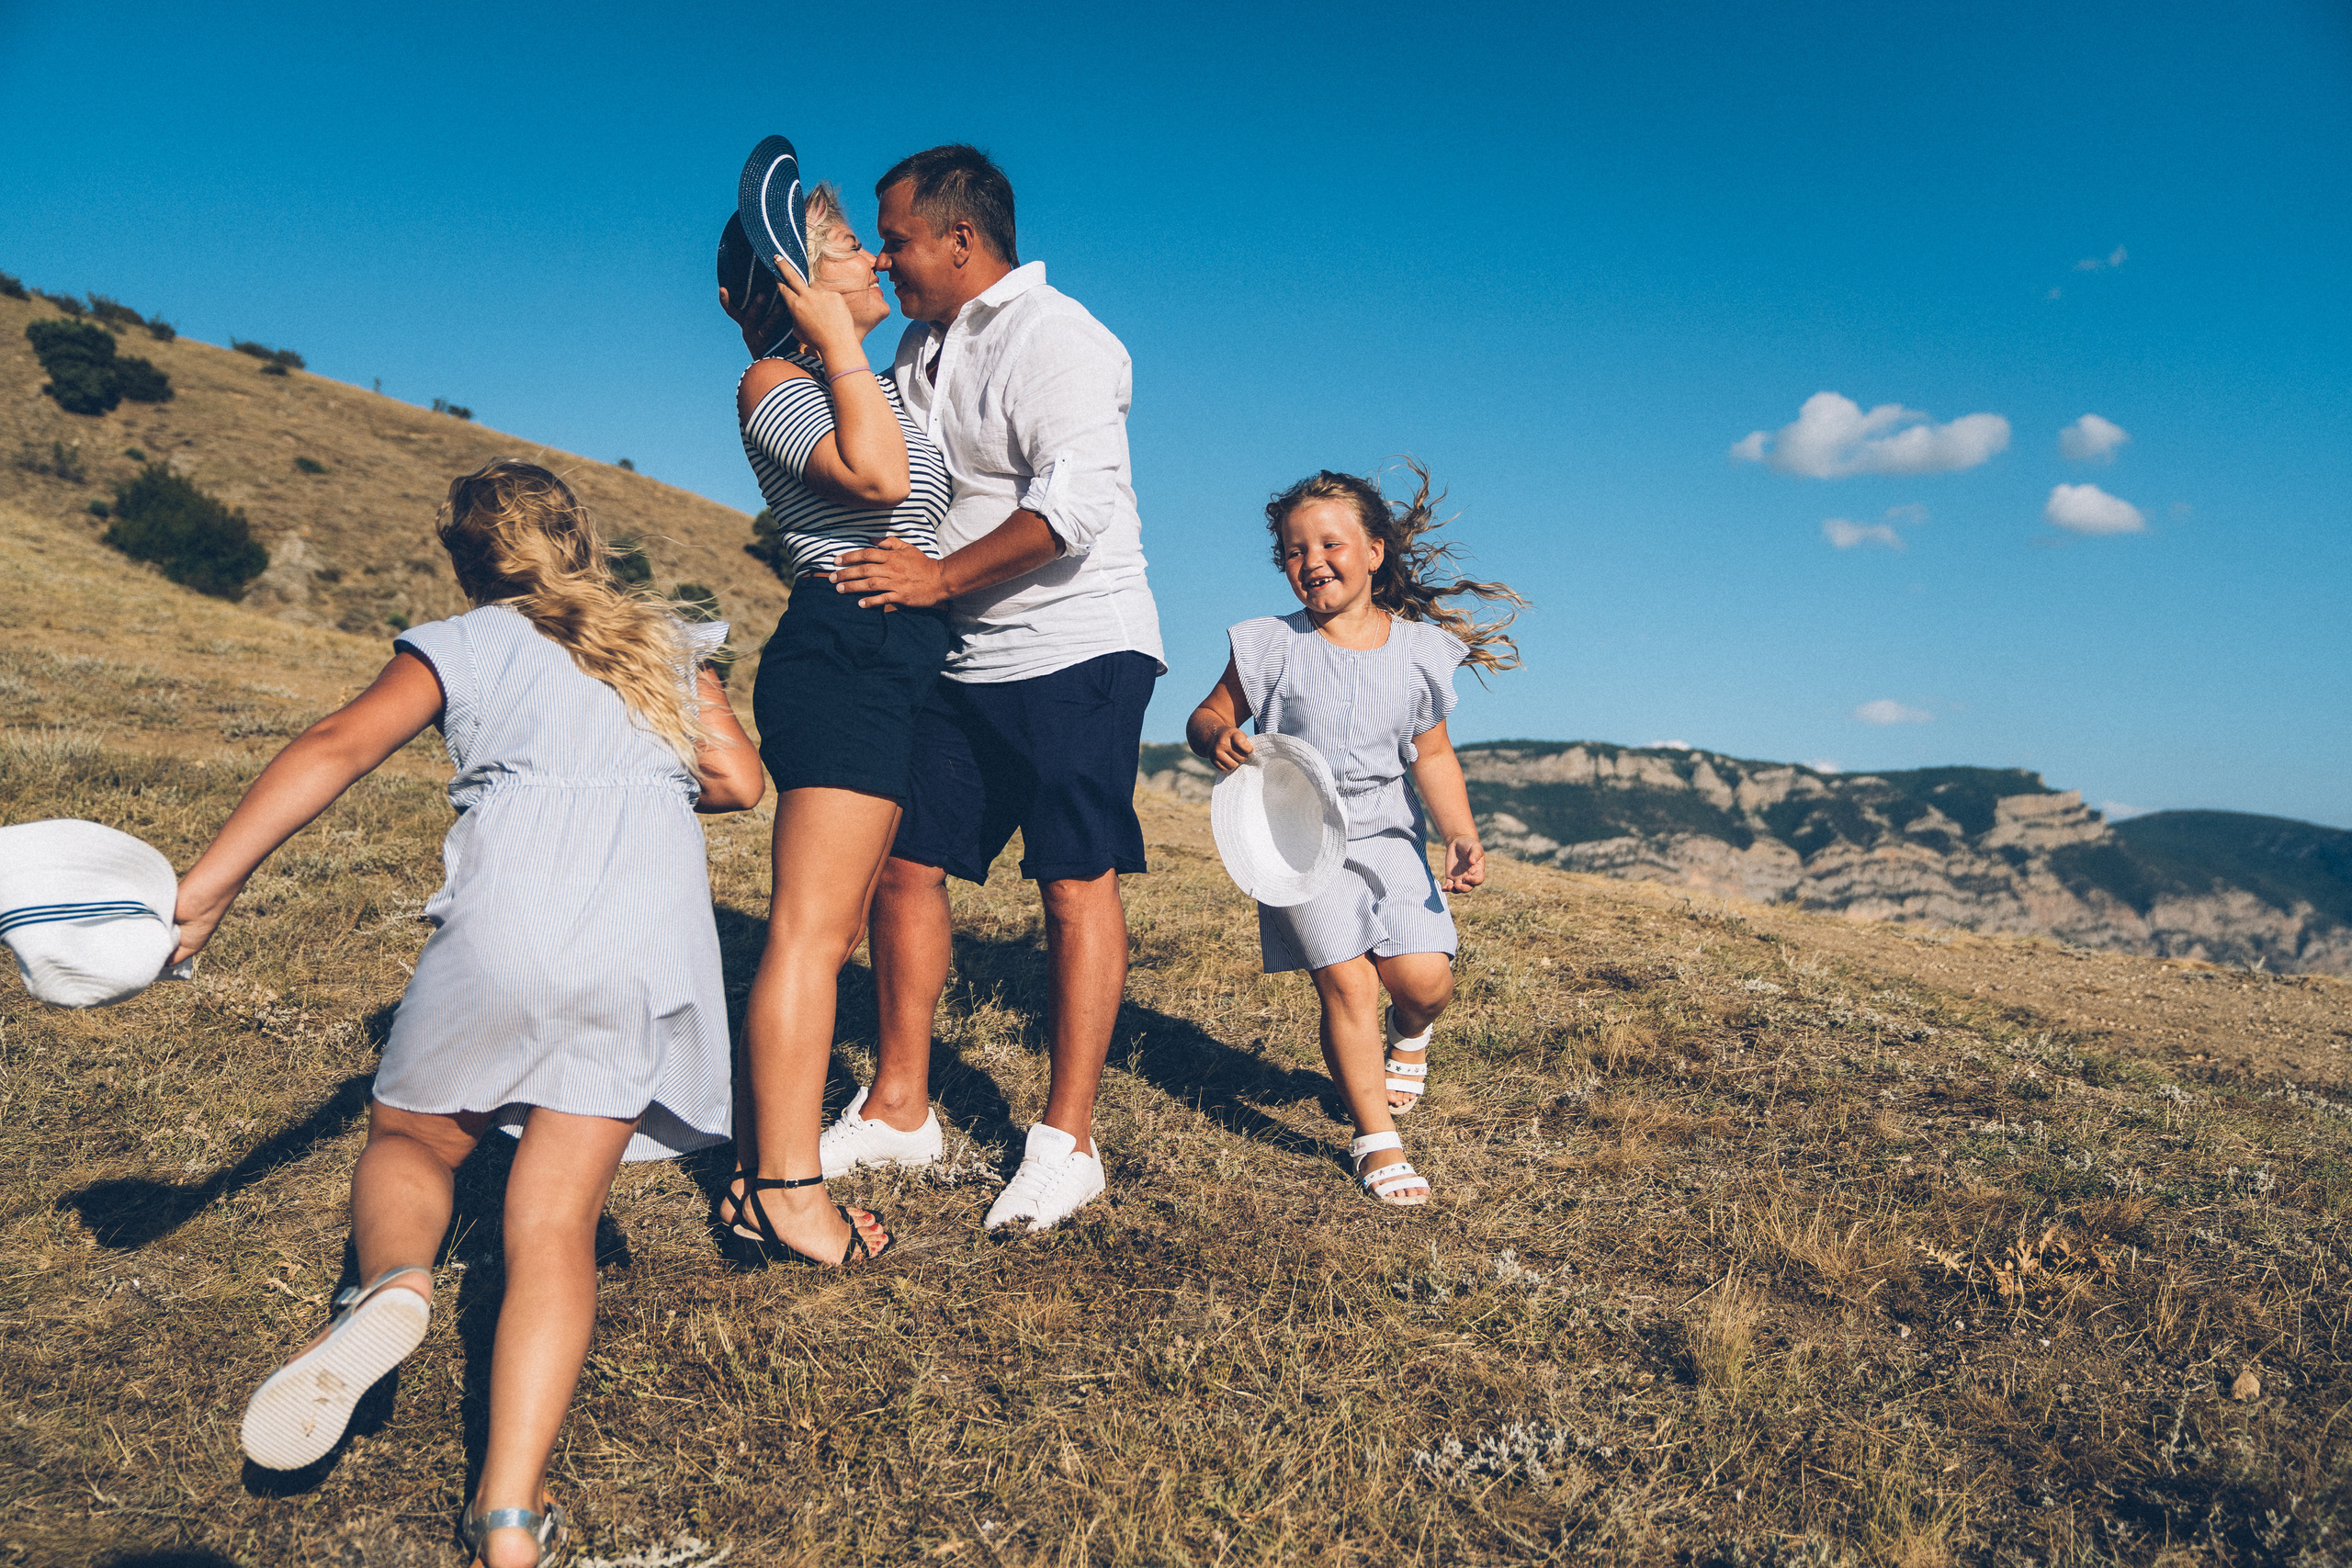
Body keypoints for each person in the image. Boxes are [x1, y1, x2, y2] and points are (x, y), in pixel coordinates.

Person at [177, 460, 762, 1567]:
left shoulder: (460, 641)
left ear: (464, 555)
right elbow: (740, 784)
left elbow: (337, 747)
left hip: (508, 927)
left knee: (408, 1134)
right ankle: (506, 1516)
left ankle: (393, 1282)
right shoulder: (664, 644)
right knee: (552, 1227)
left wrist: (206, 891)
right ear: (580, 540)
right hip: (641, 951)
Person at [819, 145, 1164, 1233]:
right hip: (965, 653)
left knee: (1073, 882)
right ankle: (903, 1108)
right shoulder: (920, 346)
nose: (886, 254)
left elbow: (1078, 506)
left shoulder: (1061, 339)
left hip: (1078, 648)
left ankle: (1067, 1144)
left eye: (900, 237)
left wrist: (936, 578)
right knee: (906, 870)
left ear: (961, 241)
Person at [709, 183, 950, 1268]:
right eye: (852, 249)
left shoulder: (871, 381)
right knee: (809, 931)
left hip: (894, 658)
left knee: (833, 929)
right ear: (794, 284)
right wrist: (827, 341)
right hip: (843, 647)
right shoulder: (779, 377)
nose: (877, 265)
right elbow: (880, 478)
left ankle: (776, 1174)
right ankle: (784, 1190)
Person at [1183, 464, 1524, 1205]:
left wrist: (1460, 833)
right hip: (1298, 842)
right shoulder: (1270, 645)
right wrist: (1213, 736)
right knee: (1347, 982)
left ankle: (1411, 1036)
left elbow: (1431, 755)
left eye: (1330, 544)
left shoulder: (1417, 652)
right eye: (1294, 551)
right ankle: (1376, 1141)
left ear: (1375, 551)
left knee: (1425, 980)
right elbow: (1206, 715)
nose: (1312, 562)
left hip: (1388, 839)